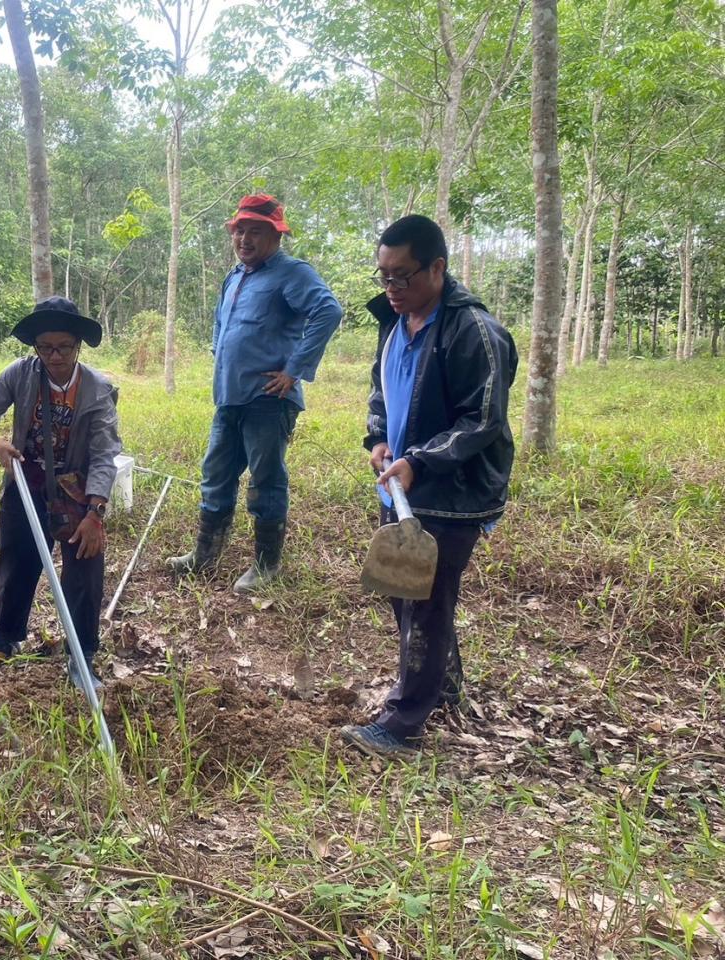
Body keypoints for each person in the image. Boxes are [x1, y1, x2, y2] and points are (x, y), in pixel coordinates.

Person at [341, 214, 518, 758]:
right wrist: (378, 438)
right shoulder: (395, 321)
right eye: (384, 276)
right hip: (401, 487)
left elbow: (482, 419)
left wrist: (420, 460)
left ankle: (403, 724)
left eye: (403, 276)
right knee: (407, 593)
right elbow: (382, 389)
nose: (392, 288)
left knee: (425, 602)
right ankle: (441, 687)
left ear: (438, 268)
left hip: (450, 493)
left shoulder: (474, 332)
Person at [168, 194, 343, 592]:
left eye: (255, 232)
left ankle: (266, 565)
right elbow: (220, 321)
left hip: (268, 399)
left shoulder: (291, 273)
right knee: (216, 472)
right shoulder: (235, 275)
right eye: (240, 230)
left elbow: (328, 311)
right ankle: (205, 553)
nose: (244, 238)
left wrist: (293, 370)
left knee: (265, 479)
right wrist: (220, 349)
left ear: (276, 236)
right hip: (229, 396)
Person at [0, 297, 120, 695]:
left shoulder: (98, 389)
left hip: (77, 491)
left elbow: (105, 453)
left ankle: (81, 655)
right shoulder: (19, 374)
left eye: (64, 347)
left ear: (78, 345)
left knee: (84, 571)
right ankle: (4, 642)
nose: (54, 356)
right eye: (45, 347)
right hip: (25, 480)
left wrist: (95, 512)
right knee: (16, 561)